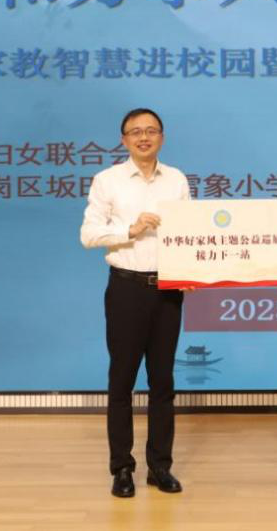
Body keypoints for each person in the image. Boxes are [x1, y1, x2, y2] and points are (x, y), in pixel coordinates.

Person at [80, 108, 190, 498]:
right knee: (122, 381)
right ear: (124, 139)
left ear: (162, 137)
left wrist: (192, 272)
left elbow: (188, 233)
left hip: (168, 290)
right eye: (136, 132)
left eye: (151, 131)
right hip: (126, 288)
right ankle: (122, 468)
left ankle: (160, 466)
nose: (144, 137)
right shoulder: (107, 180)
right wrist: (131, 229)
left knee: (163, 381)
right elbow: (89, 234)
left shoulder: (176, 179)